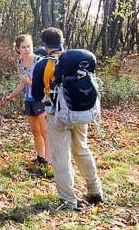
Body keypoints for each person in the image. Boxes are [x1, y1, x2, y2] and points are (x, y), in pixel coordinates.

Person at [31, 27, 103, 211]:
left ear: (44, 44)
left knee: (60, 157)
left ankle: (68, 201)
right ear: (63, 41)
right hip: (80, 112)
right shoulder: (78, 61)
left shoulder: (42, 64)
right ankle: (95, 191)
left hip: (57, 115)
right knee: (81, 149)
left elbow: (37, 94)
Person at [1, 34, 49, 169]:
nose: (27, 49)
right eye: (23, 47)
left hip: (41, 98)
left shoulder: (39, 61)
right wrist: (11, 96)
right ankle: (40, 157)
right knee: (35, 131)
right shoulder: (20, 63)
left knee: (45, 131)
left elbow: (46, 84)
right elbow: (22, 84)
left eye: (29, 46)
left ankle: (48, 161)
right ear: (18, 49)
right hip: (29, 99)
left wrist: (30, 83)